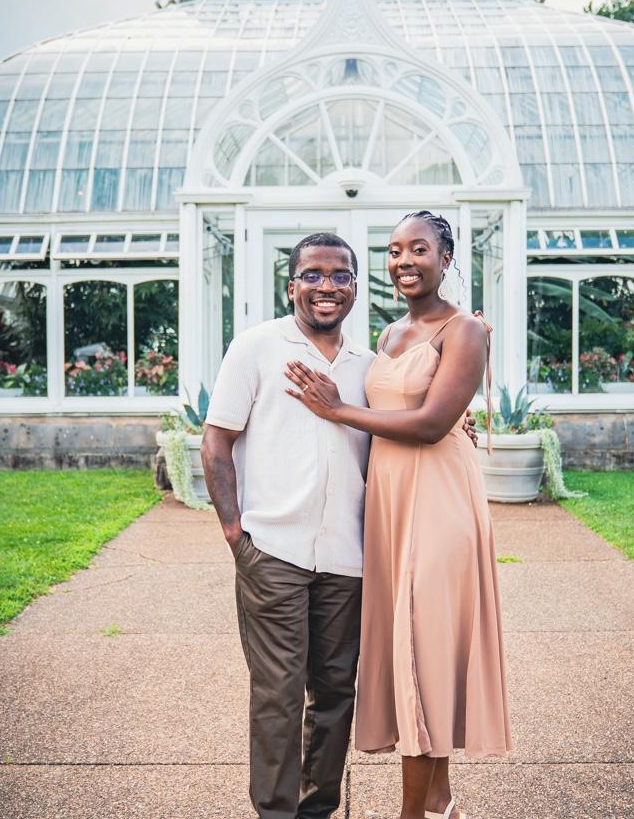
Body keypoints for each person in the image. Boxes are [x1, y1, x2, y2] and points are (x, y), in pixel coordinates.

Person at [201, 231, 479, 819]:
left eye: (340, 276)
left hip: (347, 558)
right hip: (272, 550)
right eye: (313, 275)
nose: (326, 287)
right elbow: (216, 440)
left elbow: (406, 424)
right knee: (278, 697)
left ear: (354, 288)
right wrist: (234, 532)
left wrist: (459, 426)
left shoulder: (369, 367)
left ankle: (317, 810)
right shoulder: (256, 347)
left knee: (334, 697)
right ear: (292, 286)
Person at [284, 212, 512, 819]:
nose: (404, 261)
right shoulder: (388, 334)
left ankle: (414, 815)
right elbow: (395, 410)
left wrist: (337, 410)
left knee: (422, 647)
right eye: (393, 250)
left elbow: (432, 423)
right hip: (390, 505)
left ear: (446, 258)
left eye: (419, 249)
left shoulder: (465, 329)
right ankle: (438, 803)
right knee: (417, 646)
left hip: (438, 502)